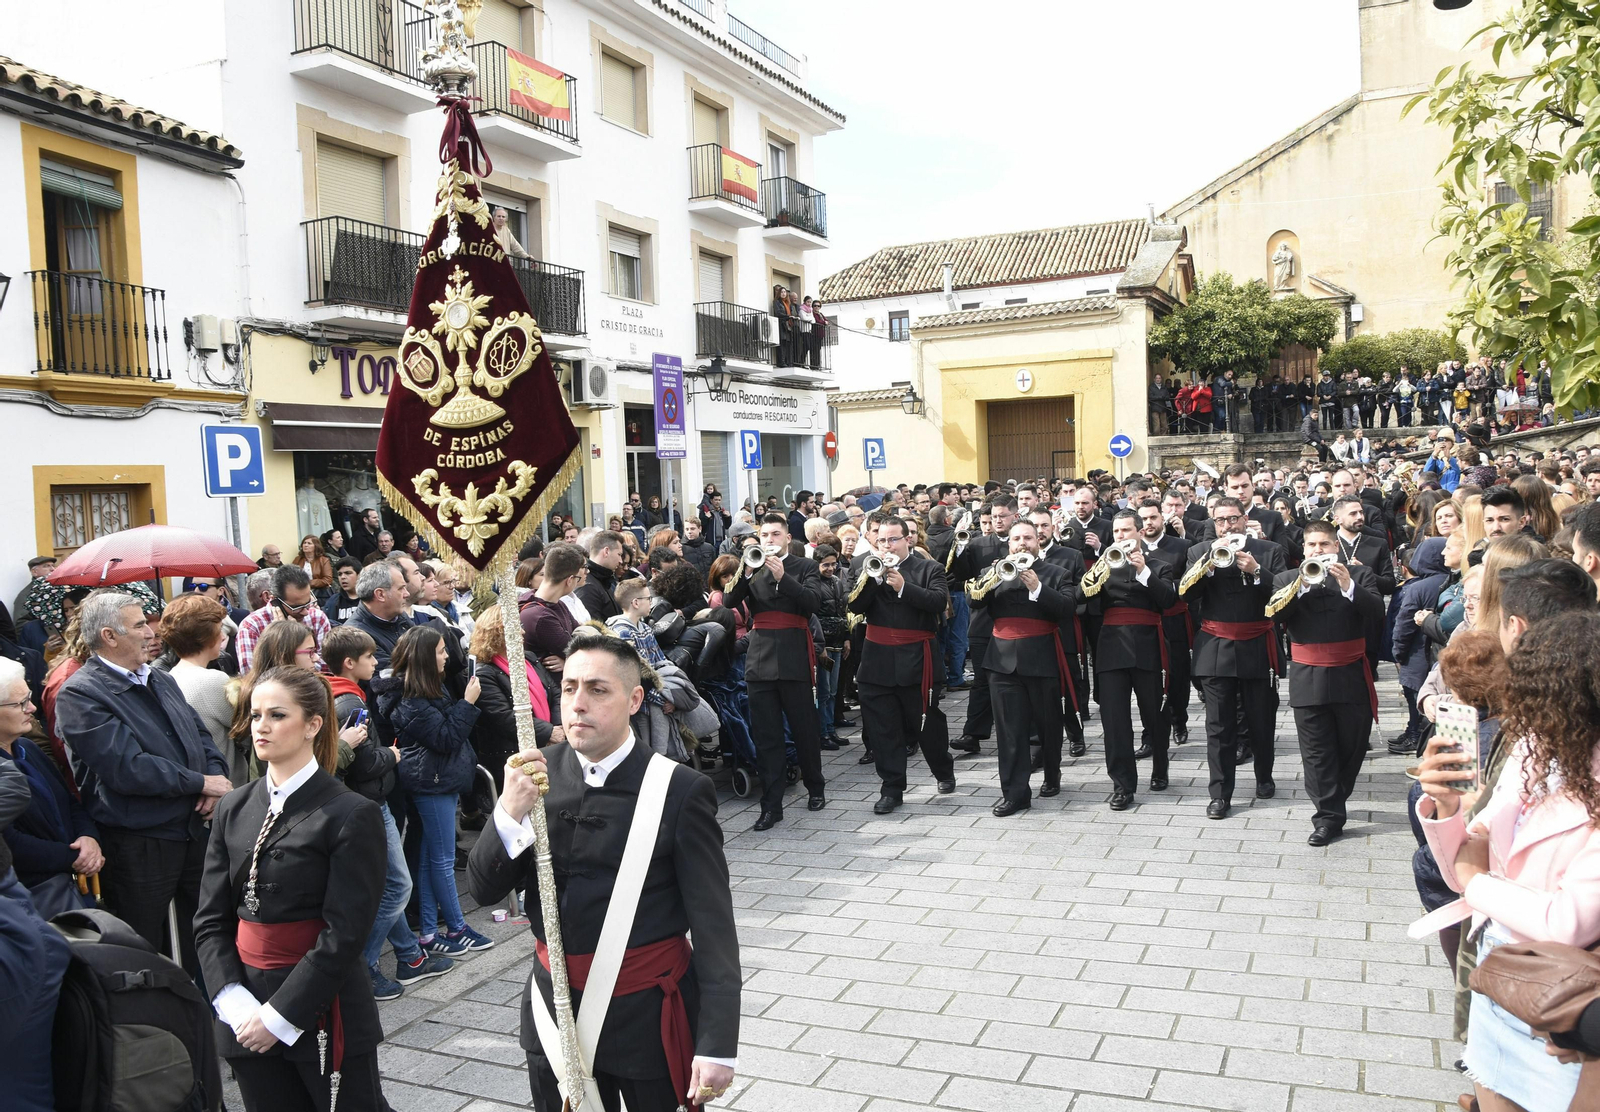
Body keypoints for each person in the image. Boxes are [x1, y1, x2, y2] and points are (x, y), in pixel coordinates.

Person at [467, 635, 739, 1112]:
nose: (577, 704)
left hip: (645, 1018)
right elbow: (484, 888)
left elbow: (714, 927)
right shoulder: (534, 775)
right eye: (568, 688)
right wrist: (508, 811)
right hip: (553, 1013)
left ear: (635, 700)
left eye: (597, 690)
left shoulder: (679, 789)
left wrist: (717, 1043)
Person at [1417, 607, 1600, 1112]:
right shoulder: (1533, 750)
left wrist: (1477, 882)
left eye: (1533, 692)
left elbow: (1564, 921)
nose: (1516, 708)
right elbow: (1470, 847)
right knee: (1490, 1093)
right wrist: (1446, 809)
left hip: (1561, 992)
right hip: (1497, 967)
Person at [194, 666, 389, 1112]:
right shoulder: (233, 806)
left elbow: (346, 933)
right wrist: (233, 1000)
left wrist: (280, 1017)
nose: (261, 726)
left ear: (313, 725)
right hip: (243, 1009)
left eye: (277, 715)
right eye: (256, 714)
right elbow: (210, 919)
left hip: (320, 1005)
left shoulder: (349, 813)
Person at [55, 591, 231, 966]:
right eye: (139, 625)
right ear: (109, 636)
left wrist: (214, 778)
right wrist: (199, 783)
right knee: (143, 947)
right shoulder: (80, 694)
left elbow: (201, 737)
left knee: (209, 934)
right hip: (140, 842)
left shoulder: (160, 679)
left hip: (193, 829)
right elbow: (127, 767)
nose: (152, 632)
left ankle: (210, 1015)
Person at [380, 625, 492, 957]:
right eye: (442, 651)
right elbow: (445, 738)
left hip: (438, 779)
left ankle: (429, 932)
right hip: (431, 783)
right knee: (442, 861)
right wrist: (468, 703)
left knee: (432, 860)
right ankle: (457, 927)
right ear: (426, 658)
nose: (447, 656)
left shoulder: (427, 690)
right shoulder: (410, 699)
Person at [1269, 521, 1384, 845]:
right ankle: (1328, 817)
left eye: (1324, 545)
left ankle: (1334, 799)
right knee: (1317, 753)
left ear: (1336, 547)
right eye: (1312, 546)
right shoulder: (1286, 579)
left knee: (1352, 748)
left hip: (1350, 675)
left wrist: (1349, 586)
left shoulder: (1359, 575)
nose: (1318, 551)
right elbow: (1274, 616)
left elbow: (1376, 613)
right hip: (1308, 677)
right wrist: (1300, 587)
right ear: (1303, 550)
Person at [1185, 497, 1287, 819]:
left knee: (1261, 719)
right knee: (1218, 726)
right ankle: (1220, 794)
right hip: (1215, 646)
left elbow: (1284, 598)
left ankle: (1264, 776)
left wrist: (1258, 571)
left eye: (1233, 519)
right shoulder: (1199, 553)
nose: (1227, 525)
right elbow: (1185, 596)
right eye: (1220, 520)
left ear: (1245, 519)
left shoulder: (1270, 551)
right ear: (1213, 524)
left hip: (1257, 643)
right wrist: (1205, 569)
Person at [724, 513, 826, 829]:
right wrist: (745, 570)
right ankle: (772, 805)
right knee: (767, 736)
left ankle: (816, 787)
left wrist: (784, 577)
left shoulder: (805, 566)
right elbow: (729, 599)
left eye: (775, 534)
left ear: (786, 537)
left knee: (804, 729)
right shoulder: (751, 566)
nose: (769, 540)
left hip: (795, 655)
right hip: (760, 659)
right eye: (765, 534)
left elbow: (813, 603)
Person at [848, 516, 956, 813]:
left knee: (927, 723)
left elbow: (938, 603)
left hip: (917, 658)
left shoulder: (928, 568)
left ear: (908, 539)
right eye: (881, 540)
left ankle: (943, 769)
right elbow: (853, 606)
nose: (886, 545)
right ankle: (892, 788)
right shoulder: (863, 567)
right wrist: (872, 581)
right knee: (883, 729)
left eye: (893, 539)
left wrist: (903, 587)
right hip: (877, 659)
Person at [1088, 511, 1178, 809]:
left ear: (1139, 533)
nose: (1121, 537)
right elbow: (1082, 598)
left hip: (1148, 646)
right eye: (1116, 532)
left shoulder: (1159, 566)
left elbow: (1168, 601)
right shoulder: (1106, 566)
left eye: (1127, 531)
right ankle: (1123, 785)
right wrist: (1097, 571)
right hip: (1111, 647)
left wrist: (1143, 573)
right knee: (1114, 720)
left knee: (1155, 713)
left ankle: (1160, 765)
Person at [0, 657, 102, 917]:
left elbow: (69, 801)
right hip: (31, 901)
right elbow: (10, 844)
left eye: (29, 698)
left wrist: (89, 839)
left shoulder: (29, 749)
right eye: (20, 703)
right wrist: (74, 857)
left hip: (70, 888)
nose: (32, 708)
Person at [161, 594, 240, 783]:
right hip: (226, 785)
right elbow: (245, 729)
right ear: (205, 637)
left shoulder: (168, 677)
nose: (222, 636)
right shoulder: (212, 680)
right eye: (219, 629)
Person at [236, 565, 333, 673]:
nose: (306, 611)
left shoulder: (317, 617)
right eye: (297, 607)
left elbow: (328, 667)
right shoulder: (251, 626)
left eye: (308, 603)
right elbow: (251, 675)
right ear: (273, 600)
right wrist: (282, 639)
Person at [322, 557, 364, 625]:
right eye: (340, 574)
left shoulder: (370, 599)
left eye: (348, 573)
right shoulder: (332, 601)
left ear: (359, 575)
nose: (343, 577)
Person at [293, 535, 334, 601]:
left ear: (316, 546)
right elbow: (291, 576)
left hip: (319, 594)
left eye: (309, 543)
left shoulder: (323, 560)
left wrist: (308, 583)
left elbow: (328, 579)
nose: (306, 545)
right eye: (304, 543)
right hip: (300, 592)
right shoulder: (297, 559)